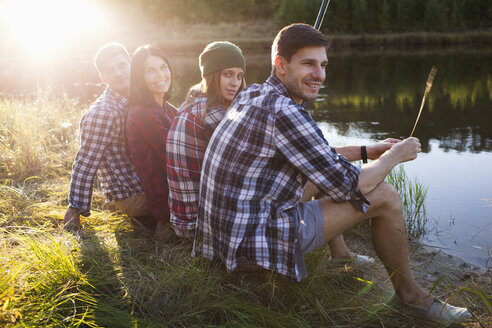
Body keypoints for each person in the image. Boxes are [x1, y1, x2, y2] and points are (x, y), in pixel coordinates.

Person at [194, 24, 471, 323]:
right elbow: (353, 185)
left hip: (225, 239)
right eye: (308, 64)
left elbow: (316, 157)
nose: (320, 75)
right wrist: (394, 156)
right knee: (386, 196)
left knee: (321, 173)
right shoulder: (285, 112)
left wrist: (369, 150)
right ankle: (410, 298)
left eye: (323, 65)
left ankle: (341, 259)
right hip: (256, 243)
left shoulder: (253, 95)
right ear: (281, 64)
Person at [64, 42, 150, 231]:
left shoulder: (140, 96)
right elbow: (86, 161)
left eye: (122, 65)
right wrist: (75, 208)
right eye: (110, 71)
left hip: (146, 180)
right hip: (131, 194)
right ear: (103, 78)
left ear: (131, 65)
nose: (118, 73)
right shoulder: (103, 113)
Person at [166, 41, 246, 239]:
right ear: (210, 75)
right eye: (227, 74)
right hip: (200, 227)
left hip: (184, 220)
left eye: (239, 76)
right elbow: (247, 166)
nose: (235, 83)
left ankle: (337, 258)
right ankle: (336, 258)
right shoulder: (212, 114)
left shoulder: (192, 101)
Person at [126, 45, 177, 234]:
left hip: (181, 192)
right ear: (140, 77)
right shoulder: (140, 113)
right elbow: (174, 157)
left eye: (164, 67)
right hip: (167, 205)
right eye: (150, 71)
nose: (160, 75)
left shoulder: (168, 108)